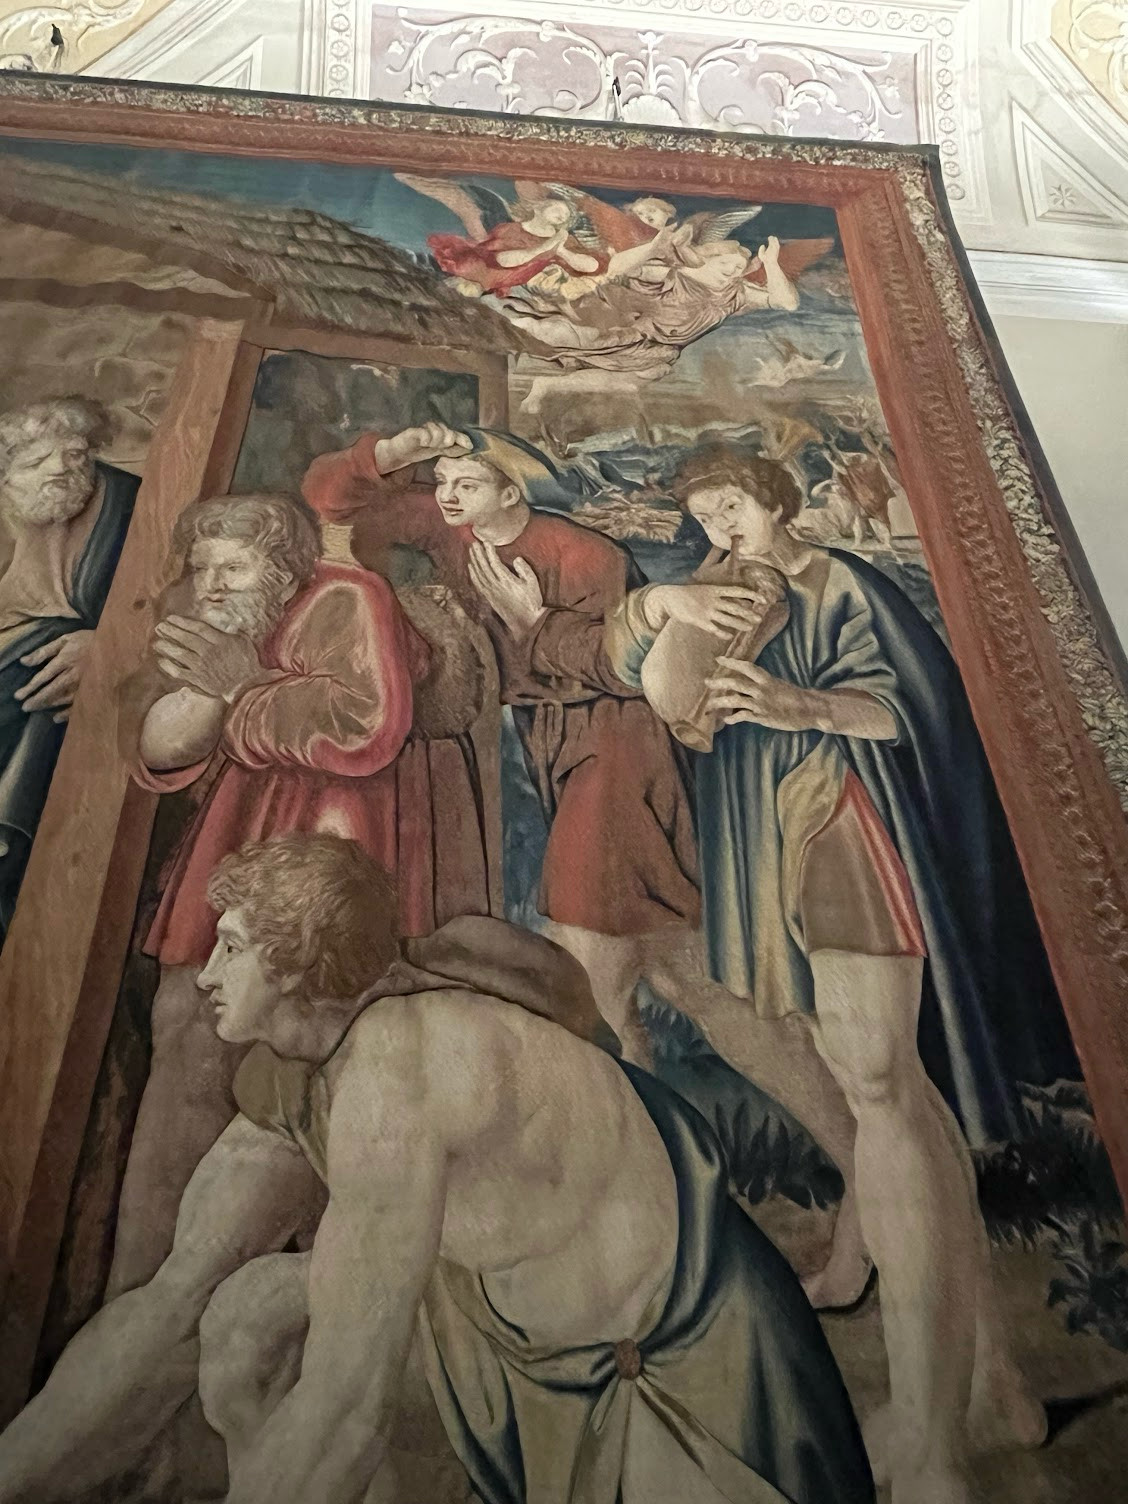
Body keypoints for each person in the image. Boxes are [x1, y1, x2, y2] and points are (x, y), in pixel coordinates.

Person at [0, 833, 876, 1504]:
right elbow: (174, 1297)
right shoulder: (305, 1061)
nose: (206, 976)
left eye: (232, 948)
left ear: (296, 960)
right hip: (500, 1323)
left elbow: (346, 1409)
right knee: (240, 1322)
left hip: (668, 1359)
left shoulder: (398, 1072)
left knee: (320, 1379)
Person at [521, 441, 1073, 1503]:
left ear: (772, 499)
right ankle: (991, 1386)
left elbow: (915, 707)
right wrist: (665, 609)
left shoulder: (840, 582)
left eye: (731, 502)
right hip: (763, 836)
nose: (720, 524)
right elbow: (643, 667)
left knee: (880, 1088)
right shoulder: (721, 588)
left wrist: (800, 706)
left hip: (844, 824)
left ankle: (932, 1442)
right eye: (705, 513)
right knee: (894, 1103)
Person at [110, 488, 488, 1295]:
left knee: (305, 1044)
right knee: (185, 1023)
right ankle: (140, 1287)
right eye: (203, 567)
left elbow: (366, 727)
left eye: (235, 567)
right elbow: (157, 747)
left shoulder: (349, 598)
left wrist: (245, 690)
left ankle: (284, 1283)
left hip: (332, 831)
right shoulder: (217, 622)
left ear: (285, 568)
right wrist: (214, 694)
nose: (213, 584)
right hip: (240, 830)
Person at [0, 396, 138, 939]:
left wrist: (110, 646)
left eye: (76, 454)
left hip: (73, 704)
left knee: (47, 667)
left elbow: (169, 602)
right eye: (37, 460)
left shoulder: (128, 506)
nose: (60, 468)